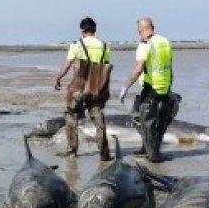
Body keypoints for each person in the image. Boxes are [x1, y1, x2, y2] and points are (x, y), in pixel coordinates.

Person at [53, 17, 111, 160]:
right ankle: (104, 153)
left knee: (71, 115)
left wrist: (57, 78)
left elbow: (67, 65)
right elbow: (106, 67)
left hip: (79, 87)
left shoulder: (77, 44)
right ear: (95, 30)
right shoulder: (104, 45)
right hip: (96, 88)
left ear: (82, 31)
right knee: (98, 119)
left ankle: (72, 151)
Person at [118, 16, 175, 163]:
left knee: (147, 122)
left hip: (151, 88)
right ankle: (147, 147)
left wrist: (125, 86)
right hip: (165, 88)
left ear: (140, 30)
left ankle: (154, 157)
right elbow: (168, 65)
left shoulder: (145, 44)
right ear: (153, 27)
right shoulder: (165, 41)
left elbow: (138, 69)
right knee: (140, 117)